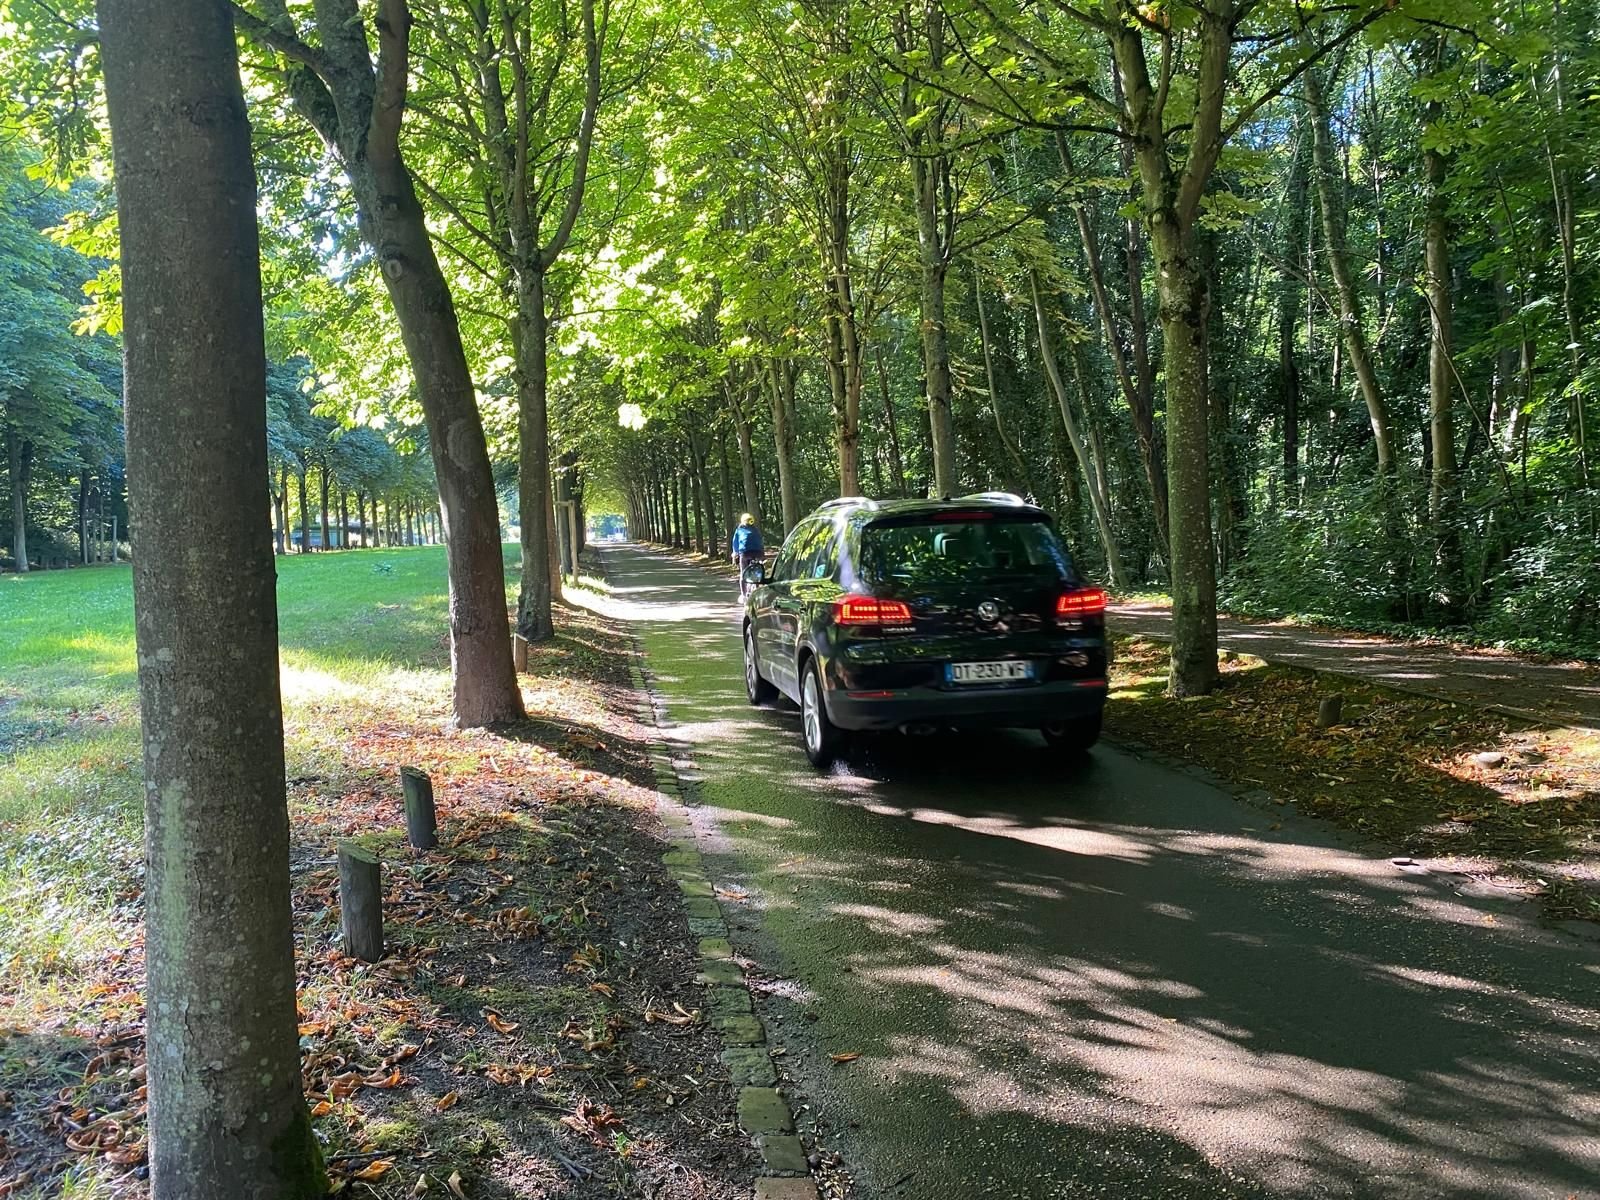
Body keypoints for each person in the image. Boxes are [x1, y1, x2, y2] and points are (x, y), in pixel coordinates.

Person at [731, 513, 764, 597]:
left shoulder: (739, 530)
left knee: (743, 573)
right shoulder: (756, 530)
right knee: (757, 570)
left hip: (745, 553)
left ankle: (743, 595)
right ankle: (757, 586)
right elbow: (760, 541)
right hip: (758, 553)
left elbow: (735, 543)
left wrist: (735, 553)